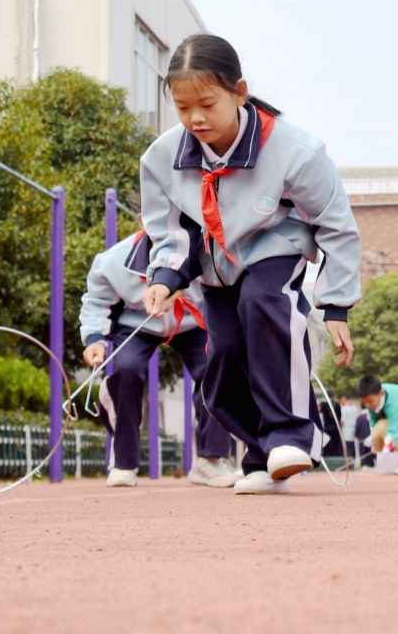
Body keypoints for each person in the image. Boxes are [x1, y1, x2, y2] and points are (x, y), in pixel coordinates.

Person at [139, 34, 360, 496]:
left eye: (207, 103)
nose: (195, 118)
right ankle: (260, 453)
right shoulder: (161, 159)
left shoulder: (296, 151)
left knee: (264, 304)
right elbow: (170, 231)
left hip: (275, 249)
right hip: (215, 270)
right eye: (182, 108)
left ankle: (291, 434)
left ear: (239, 92)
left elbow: (336, 226)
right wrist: (164, 279)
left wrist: (336, 305)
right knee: (222, 360)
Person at [80, 232, 238, 488]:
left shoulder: (206, 252)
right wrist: (94, 339)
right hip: (137, 323)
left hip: (191, 322)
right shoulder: (111, 261)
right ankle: (123, 463)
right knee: (126, 370)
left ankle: (211, 459)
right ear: (144, 220)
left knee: (215, 367)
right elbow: (97, 302)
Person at [357, 375, 398, 474]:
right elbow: (374, 424)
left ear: (381, 394)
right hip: (391, 417)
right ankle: (390, 465)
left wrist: (385, 453)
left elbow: (393, 431)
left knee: (384, 428)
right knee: (378, 431)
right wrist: (374, 440)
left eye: (370, 401)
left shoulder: (393, 402)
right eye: (364, 402)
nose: (368, 405)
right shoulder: (371, 403)